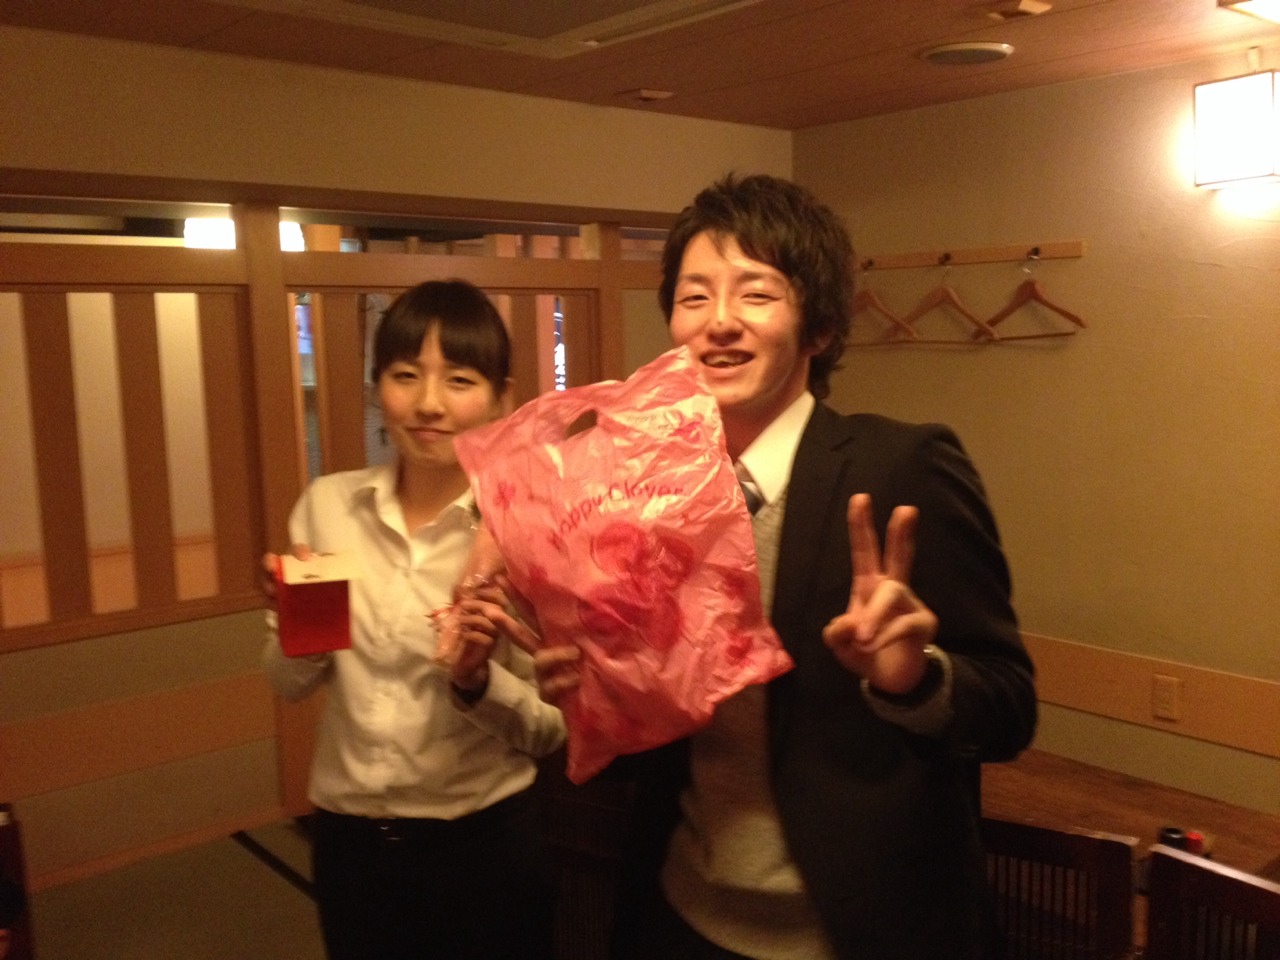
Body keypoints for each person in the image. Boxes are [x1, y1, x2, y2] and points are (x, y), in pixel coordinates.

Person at [521, 174, 1038, 960]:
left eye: (756, 293)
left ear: (818, 326)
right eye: (694, 298)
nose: (719, 321)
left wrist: (915, 678)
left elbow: (1008, 707)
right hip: (682, 914)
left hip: (854, 935)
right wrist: (603, 701)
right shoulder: (647, 501)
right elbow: (666, 749)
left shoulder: (903, 466)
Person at [261, 280, 566, 960]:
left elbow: (551, 729)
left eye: (459, 379)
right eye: (405, 375)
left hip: (482, 846)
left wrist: (476, 683)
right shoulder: (328, 507)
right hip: (350, 846)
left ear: (500, 398)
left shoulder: (525, 533)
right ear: (378, 388)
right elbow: (289, 683)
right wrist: (301, 625)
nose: (429, 403)